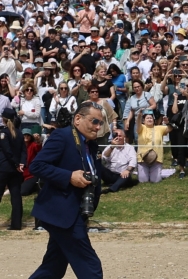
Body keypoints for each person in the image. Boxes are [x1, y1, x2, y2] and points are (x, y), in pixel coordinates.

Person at [29, 102, 117, 279]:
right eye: (94, 121)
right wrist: (68, 176)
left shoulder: (91, 145)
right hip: (61, 212)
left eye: (100, 123)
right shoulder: (62, 136)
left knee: (53, 266)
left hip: (75, 213)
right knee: (90, 267)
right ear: (78, 119)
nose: (98, 127)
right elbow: (37, 166)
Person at [0, 106, 26, 229]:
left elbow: (7, 152)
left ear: (3, 119)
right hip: (16, 170)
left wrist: (16, 164)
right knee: (16, 197)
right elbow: (23, 151)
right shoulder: (20, 133)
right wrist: (21, 164)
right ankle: (16, 224)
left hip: (4, 168)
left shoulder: (3, 133)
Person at [135, 111, 170, 183]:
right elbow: (138, 123)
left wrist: (167, 122)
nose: (149, 119)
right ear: (143, 121)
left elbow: (170, 128)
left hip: (156, 159)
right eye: (147, 118)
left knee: (155, 181)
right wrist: (139, 116)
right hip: (143, 159)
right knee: (143, 181)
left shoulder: (159, 128)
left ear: (154, 120)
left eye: (151, 118)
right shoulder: (141, 128)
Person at [99, 128, 137, 193]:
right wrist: (112, 147)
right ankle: (94, 185)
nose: (118, 138)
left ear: (124, 137)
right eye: (116, 136)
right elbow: (104, 158)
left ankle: (111, 189)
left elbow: (133, 160)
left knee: (126, 175)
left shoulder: (130, 148)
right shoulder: (110, 147)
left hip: (122, 175)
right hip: (111, 174)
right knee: (98, 166)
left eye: (120, 136)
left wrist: (127, 170)